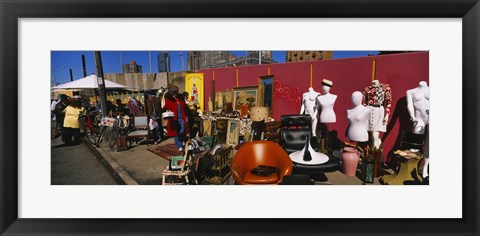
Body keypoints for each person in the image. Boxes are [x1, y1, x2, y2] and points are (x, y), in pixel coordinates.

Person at [162, 85, 189, 151]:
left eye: (174, 94)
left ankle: (181, 139)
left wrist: (187, 109)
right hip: (173, 119)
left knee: (183, 130)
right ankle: (179, 145)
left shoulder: (180, 98)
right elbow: (165, 107)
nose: (173, 95)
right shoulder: (168, 99)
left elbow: (185, 105)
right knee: (175, 132)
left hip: (181, 117)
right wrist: (165, 110)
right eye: (172, 94)